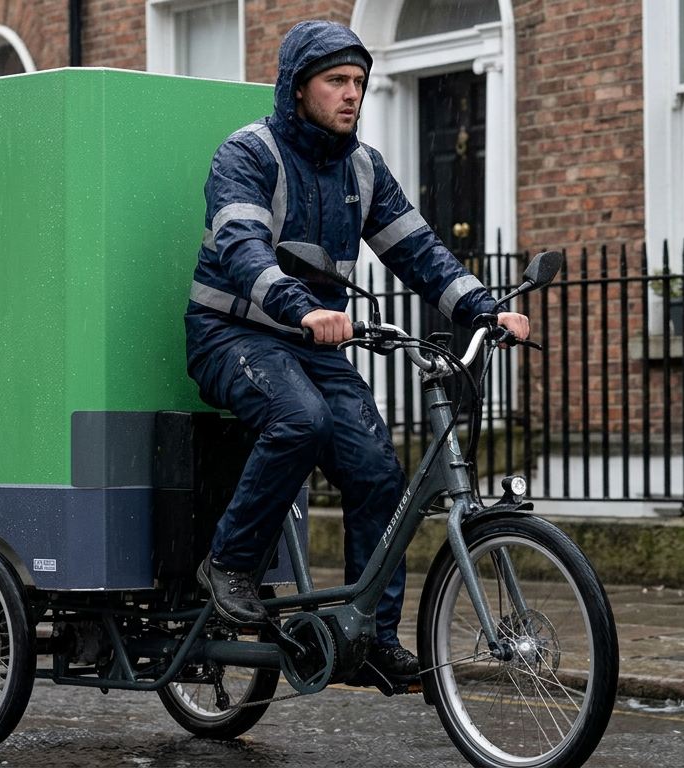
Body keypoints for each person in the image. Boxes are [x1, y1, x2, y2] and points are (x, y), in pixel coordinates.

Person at [184, 20, 530, 685]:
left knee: (378, 470)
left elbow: (420, 254)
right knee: (301, 419)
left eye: (360, 84)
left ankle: (370, 635)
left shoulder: (363, 167)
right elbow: (242, 249)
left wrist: (483, 307)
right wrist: (300, 307)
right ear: (297, 88)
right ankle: (227, 563)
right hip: (231, 335)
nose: (351, 96)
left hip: (309, 344)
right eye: (336, 82)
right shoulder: (247, 155)